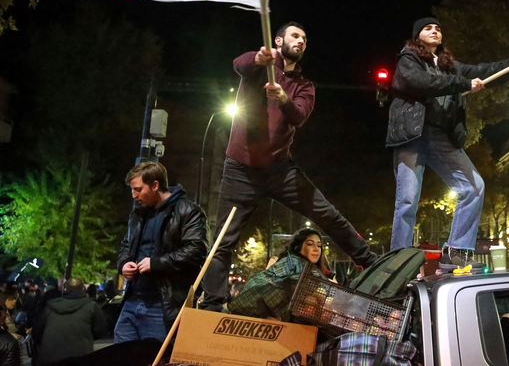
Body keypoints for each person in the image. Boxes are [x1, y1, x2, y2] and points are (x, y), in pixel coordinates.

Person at [200, 22, 376, 311]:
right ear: (278, 40)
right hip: (240, 170)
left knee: (328, 214)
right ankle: (212, 305)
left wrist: (282, 98)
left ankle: (370, 262)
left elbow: (299, 116)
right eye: (296, 36)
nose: (302, 41)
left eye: (305, 39)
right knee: (222, 241)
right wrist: (259, 58)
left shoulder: (305, 86)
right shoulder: (260, 65)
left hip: (279, 170)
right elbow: (239, 64)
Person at [387, 17, 509, 270]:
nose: (435, 30)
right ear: (417, 36)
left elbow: (486, 71)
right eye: (428, 28)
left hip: (440, 137)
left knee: (474, 186)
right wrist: (463, 84)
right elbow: (420, 83)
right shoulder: (408, 59)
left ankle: (456, 257)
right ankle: (397, 265)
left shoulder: (450, 66)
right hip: (412, 136)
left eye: (438, 28)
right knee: (407, 200)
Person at [115, 161, 208, 342]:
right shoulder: (138, 214)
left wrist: (156, 263)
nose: (134, 195)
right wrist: (123, 264)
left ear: (155, 185)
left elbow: (196, 250)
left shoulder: (187, 211)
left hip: (162, 305)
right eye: (132, 190)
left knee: (155, 358)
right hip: (132, 301)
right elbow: (126, 245)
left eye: (138, 189)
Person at [228, 228, 331, 320]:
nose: (316, 249)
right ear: (297, 247)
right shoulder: (292, 262)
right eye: (309, 244)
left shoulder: (306, 267)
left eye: (319, 245)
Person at [32, 278, 105, 365]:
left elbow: (37, 332)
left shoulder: (50, 306)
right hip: (81, 357)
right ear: (83, 289)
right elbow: (100, 330)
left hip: (50, 358)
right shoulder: (92, 306)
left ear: (64, 289)